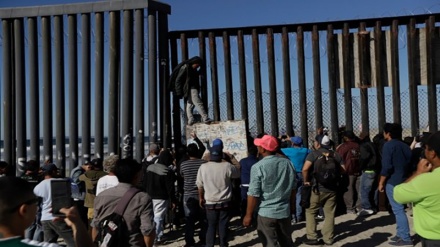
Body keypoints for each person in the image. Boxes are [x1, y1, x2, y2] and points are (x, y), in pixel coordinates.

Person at [0, 177, 93, 247]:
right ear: (24, 210)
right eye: (35, 201)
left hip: (45, 219)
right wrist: (78, 225)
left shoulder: (39, 186)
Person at [243, 135, 296, 246]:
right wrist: (292, 207)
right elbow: (293, 189)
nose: (257, 147)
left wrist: (248, 215)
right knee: (286, 242)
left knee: (269, 243)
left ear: (263, 149)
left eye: (259, 146)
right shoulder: (288, 163)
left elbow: (253, 193)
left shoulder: (258, 167)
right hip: (284, 211)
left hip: (266, 212)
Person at [91, 159, 156, 247]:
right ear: (136, 176)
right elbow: (147, 230)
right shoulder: (142, 198)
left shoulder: (101, 196)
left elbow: (96, 226)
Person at [394, 131, 440, 247]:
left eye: (426, 148)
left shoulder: (425, 181)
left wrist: (418, 173)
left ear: (432, 153)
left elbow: (398, 194)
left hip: (434, 237)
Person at [302, 134, 345, 246]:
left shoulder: (314, 154)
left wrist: (306, 181)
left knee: (311, 211)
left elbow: (305, 169)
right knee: (330, 213)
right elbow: (344, 170)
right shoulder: (336, 155)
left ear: (318, 143)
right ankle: (328, 238)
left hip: (317, 188)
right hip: (332, 189)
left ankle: (312, 236)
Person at [196, 138, 240, 247]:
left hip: (210, 201)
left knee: (211, 225)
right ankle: (223, 244)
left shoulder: (203, 167)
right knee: (223, 224)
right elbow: (237, 172)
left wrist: (201, 197)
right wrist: (231, 157)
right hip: (225, 201)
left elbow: (200, 185)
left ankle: (209, 245)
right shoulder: (227, 166)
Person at [378, 123, 412, 246]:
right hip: (404, 180)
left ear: (388, 133)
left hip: (392, 181)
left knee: (398, 210)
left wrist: (381, 182)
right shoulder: (405, 146)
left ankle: (405, 237)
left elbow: (386, 167)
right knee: (399, 209)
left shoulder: (388, 146)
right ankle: (400, 234)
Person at [33, 163, 76, 246]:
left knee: (49, 243)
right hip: (58, 216)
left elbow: (36, 202)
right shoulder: (62, 182)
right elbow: (75, 192)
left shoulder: (38, 186)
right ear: (53, 171)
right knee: (72, 241)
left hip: (45, 217)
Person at [144, 149, 177, 244]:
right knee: (158, 217)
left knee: (151, 216)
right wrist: (173, 200)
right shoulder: (167, 171)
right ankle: (157, 237)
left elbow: (144, 182)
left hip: (149, 195)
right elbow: (170, 188)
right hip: (161, 197)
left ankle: (150, 235)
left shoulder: (150, 168)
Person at [180, 140, 208, 247]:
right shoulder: (203, 163)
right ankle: (203, 239)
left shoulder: (184, 164)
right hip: (202, 193)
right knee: (203, 218)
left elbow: (182, 175)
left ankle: (189, 241)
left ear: (188, 153)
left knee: (189, 219)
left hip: (188, 194)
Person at [170, 56, 212, 125]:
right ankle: (205, 118)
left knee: (190, 104)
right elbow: (178, 79)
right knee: (198, 103)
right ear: (194, 63)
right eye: (197, 65)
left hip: (191, 88)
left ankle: (190, 119)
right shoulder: (186, 67)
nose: (198, 67)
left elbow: (192, 77)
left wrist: (199, 72)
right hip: (191, 89)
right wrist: (178, 91)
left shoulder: (192, 69)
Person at [281, 136, 311, 223]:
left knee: (290, 196)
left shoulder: (288, 150)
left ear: (293, 143)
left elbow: (277, 149)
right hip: (302, 174)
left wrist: (284, 140)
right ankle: (299, 215)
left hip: (292, 174)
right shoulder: (305, 150)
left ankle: (292, 216)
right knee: (299, 195)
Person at [336, 130, 361, 214]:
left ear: (345, 138)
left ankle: (350, 208)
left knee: (348, 190)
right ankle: (359, 207)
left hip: (347, 171)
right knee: (358, 189)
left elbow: (338, 157)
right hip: (358, 169)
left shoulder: (343, 147)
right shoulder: (358, 145)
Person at [79, 159, 107, 228]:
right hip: (104, 204)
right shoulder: (106, 175)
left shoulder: (85, 176)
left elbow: (78, 178)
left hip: (91, 204)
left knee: (91, 225)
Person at [357, 132, 379, 216]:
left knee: (364, 190)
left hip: (368, 170)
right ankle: (373, 206)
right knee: (373, 189)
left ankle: (366, 208)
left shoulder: (364, 146)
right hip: (375, 169)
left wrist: (360, 166)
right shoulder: (373, 145)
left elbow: (364, 158)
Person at [239, 145, 259, 220]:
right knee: (255, 202)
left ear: (248, 153)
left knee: (244, 201)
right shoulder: (258, 161)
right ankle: (254, 217)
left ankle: (243, 216)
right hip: (255, 184)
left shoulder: (242, 161)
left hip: (244, 184)